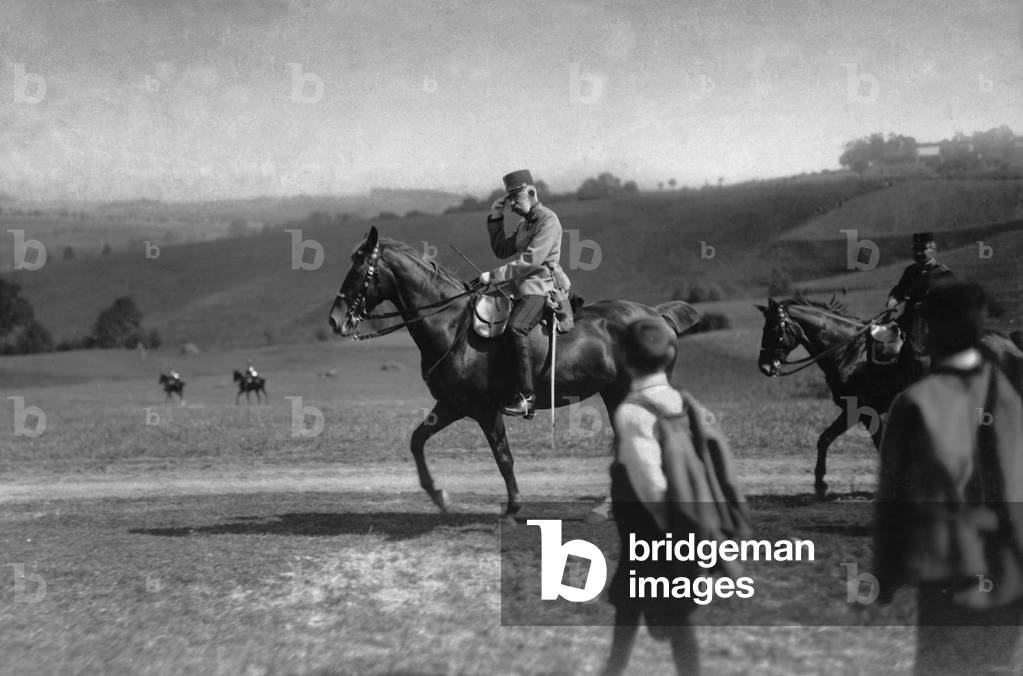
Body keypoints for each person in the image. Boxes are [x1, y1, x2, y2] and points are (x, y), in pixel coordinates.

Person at [873, 280, 1023, 676]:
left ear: (932, 331)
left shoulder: (914, 402)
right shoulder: (1008, 395)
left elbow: (892, 500)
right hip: (1009, 569)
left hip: (946, 569)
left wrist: (886, 573)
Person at [601, 318, 701, 676]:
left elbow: (650, 483)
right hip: (682, 527)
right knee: (638, 610)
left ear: (624, 360)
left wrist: (667, 531)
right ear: (670, 354)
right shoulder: (682, 401)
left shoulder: (631, 411)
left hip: (653, 533)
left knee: (661, 613)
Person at [477, 169, 565, 419]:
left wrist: (493, 276)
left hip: (540, 287)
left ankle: (528, 398)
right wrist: (495, 219)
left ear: (532, 192)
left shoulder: (549, 220)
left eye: (516, 198)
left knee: (516, 328)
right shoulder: (524, 223)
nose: (513, 204)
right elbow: (502, 250)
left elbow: (532, 261)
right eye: (510, 199)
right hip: (517, 287)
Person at [884, 232, 953, 378]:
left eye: (923, 249)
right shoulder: (910, 271)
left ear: (933, 249)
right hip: (908, 322)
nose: (919, 253)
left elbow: (952, 304)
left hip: (933, 328)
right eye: (916, 249)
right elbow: (900, 290)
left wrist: (928, 307)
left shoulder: (945, 275)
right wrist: (893, 299)